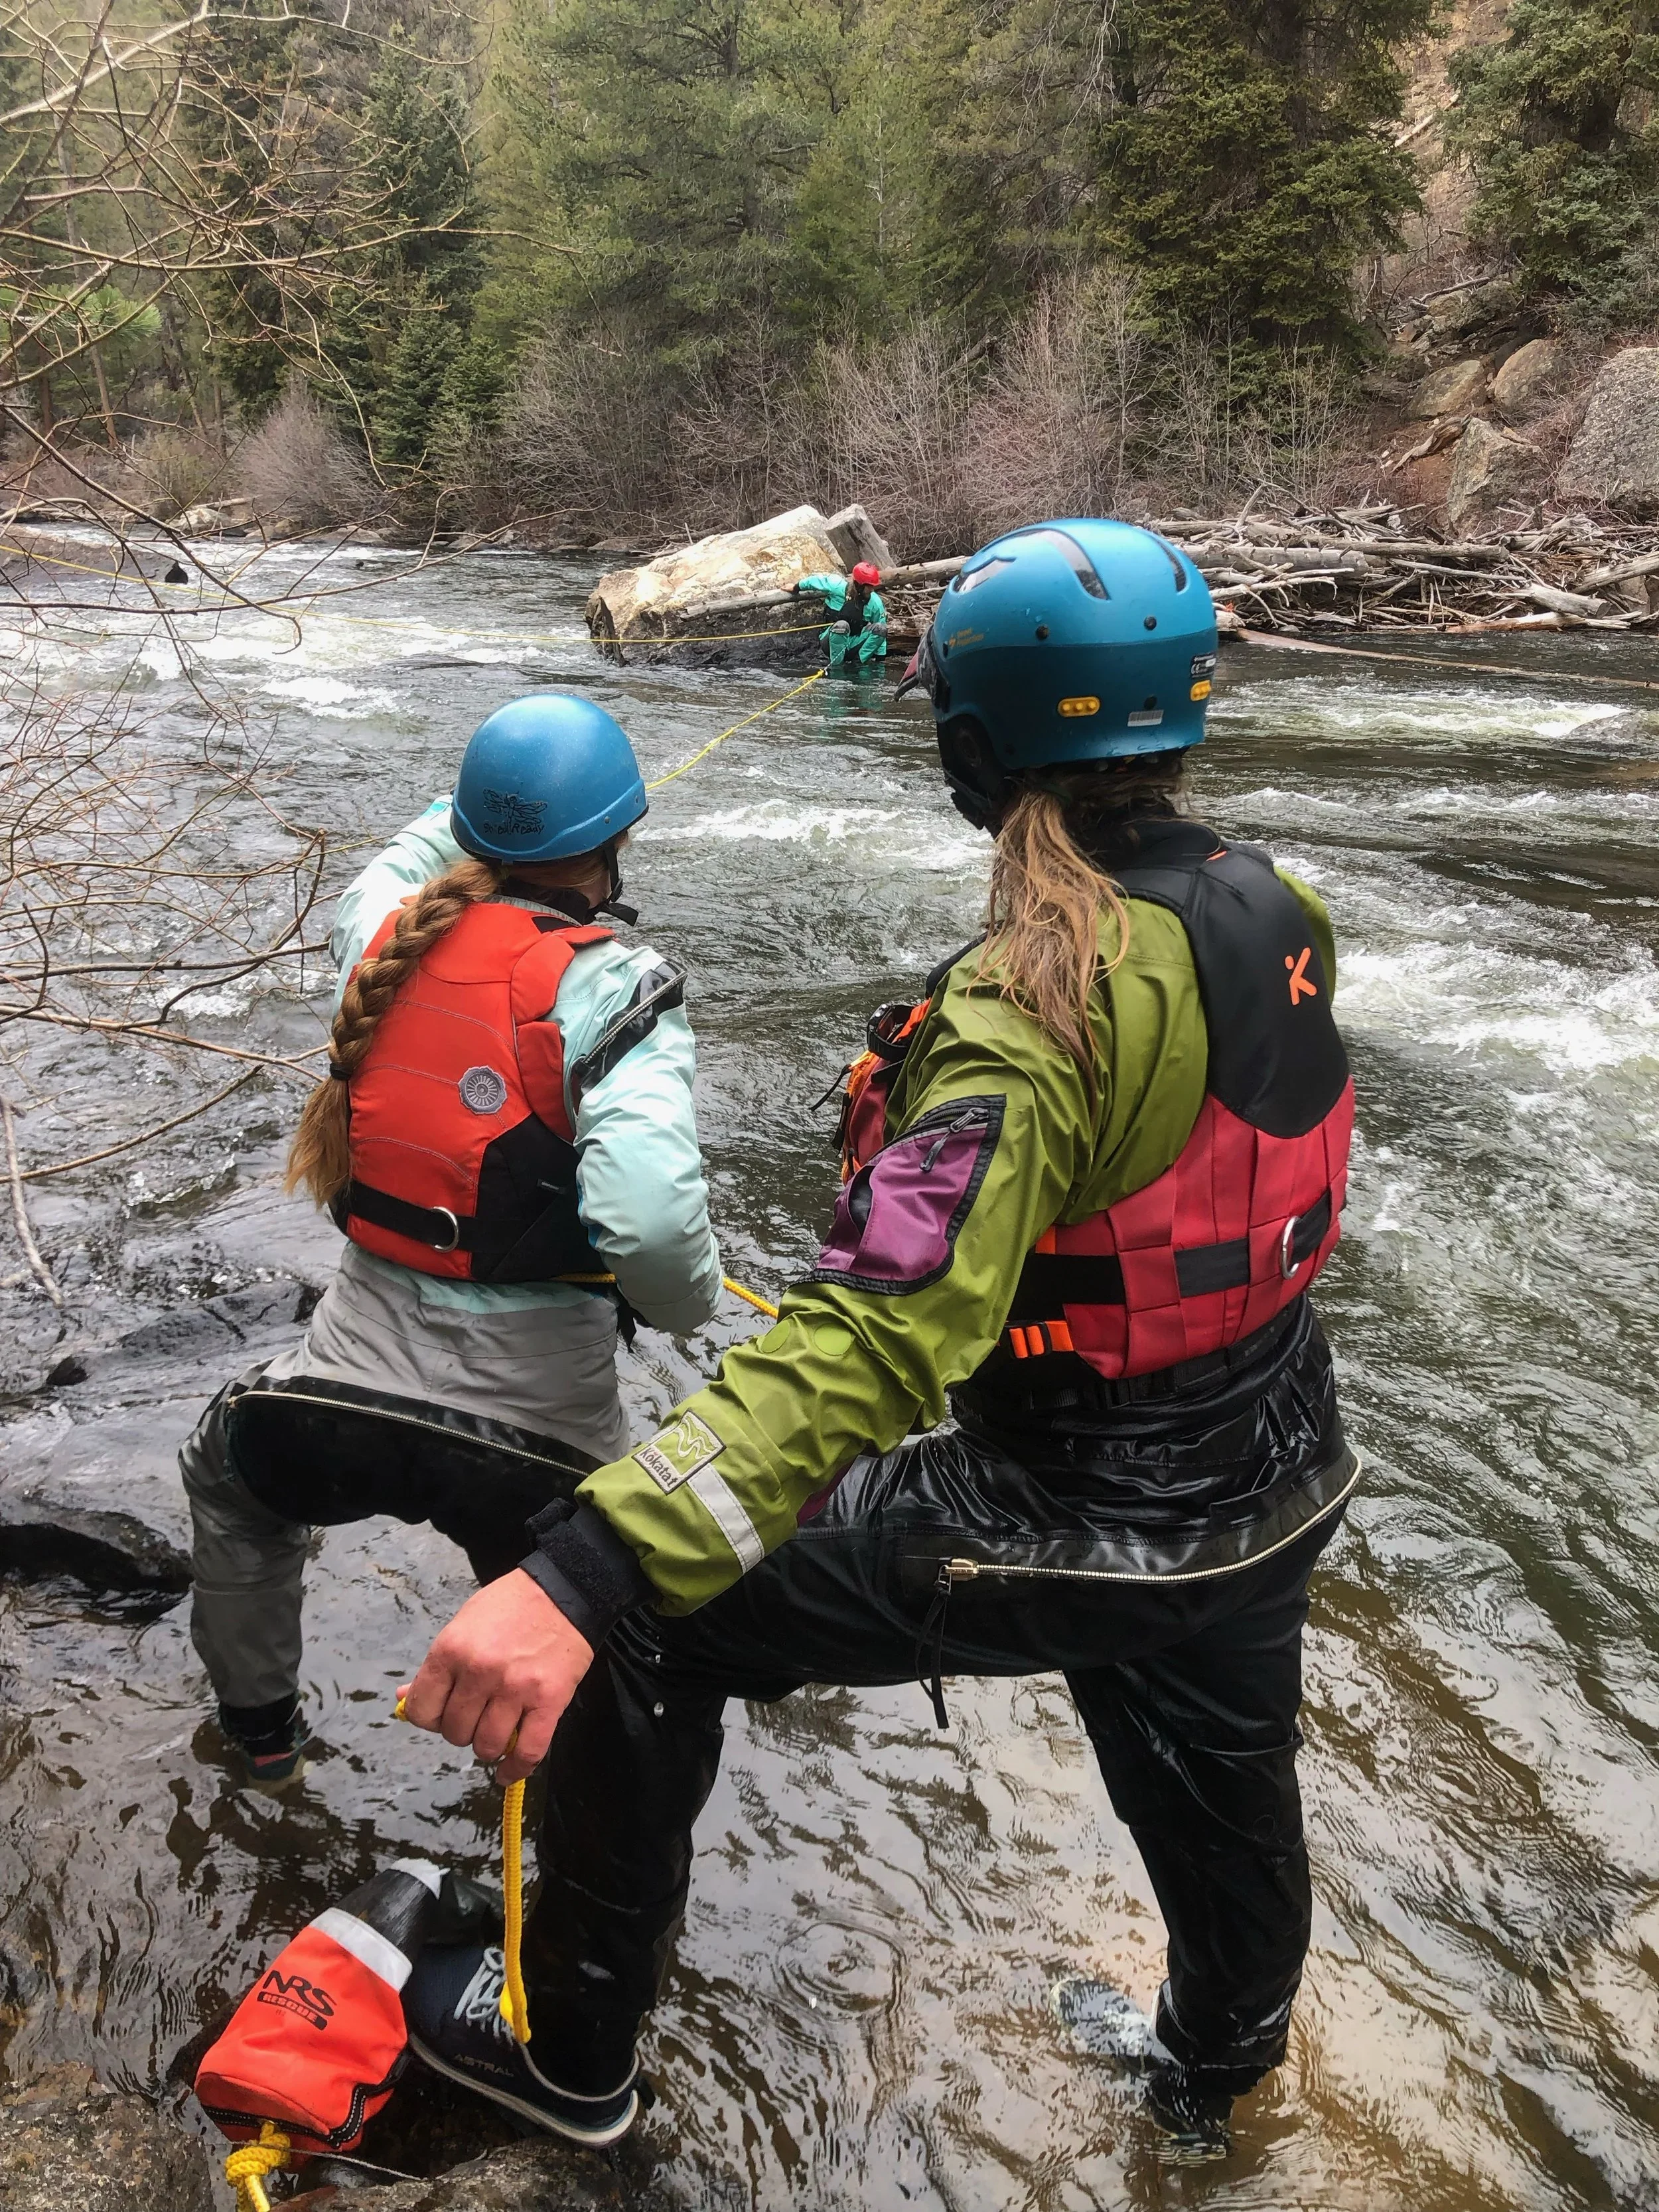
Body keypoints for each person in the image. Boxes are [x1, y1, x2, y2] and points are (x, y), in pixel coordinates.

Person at [399, 523, 1358, 2161]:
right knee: (1229, 1780)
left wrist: (581, 1570)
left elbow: (876, 1338)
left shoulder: (1021, 1010)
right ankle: (1211, 2093)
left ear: (974, 752)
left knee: (647, 1614)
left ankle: (560, 2048)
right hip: (1279, 1474)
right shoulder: (1288, 908)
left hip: (1076, 1511)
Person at [179, 692, 722, 1791]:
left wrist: (481, 806)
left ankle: (263, 1750)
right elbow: (655, 1234)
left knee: (226, 1480)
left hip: (333, 1410)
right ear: (609, 852)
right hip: (535, 1455)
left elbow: (409, 852)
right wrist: (692, 1303)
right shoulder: (618, 983)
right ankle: (563, 1816)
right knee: (607, 1607)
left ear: (476, 836)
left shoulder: (383, 929)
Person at [792, 558, 888, 670]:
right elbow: (816, 581)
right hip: (830, 642)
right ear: (859, 585)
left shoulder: (875, 602)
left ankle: (859, 663)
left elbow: (881, 629)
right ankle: (837, 668)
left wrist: (881, 661)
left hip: (854, 643)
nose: (872, 590)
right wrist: (796, 587)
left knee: (881, 629)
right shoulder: (837, 586)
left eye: (873, 586)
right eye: (869, 586)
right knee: (842, 626)